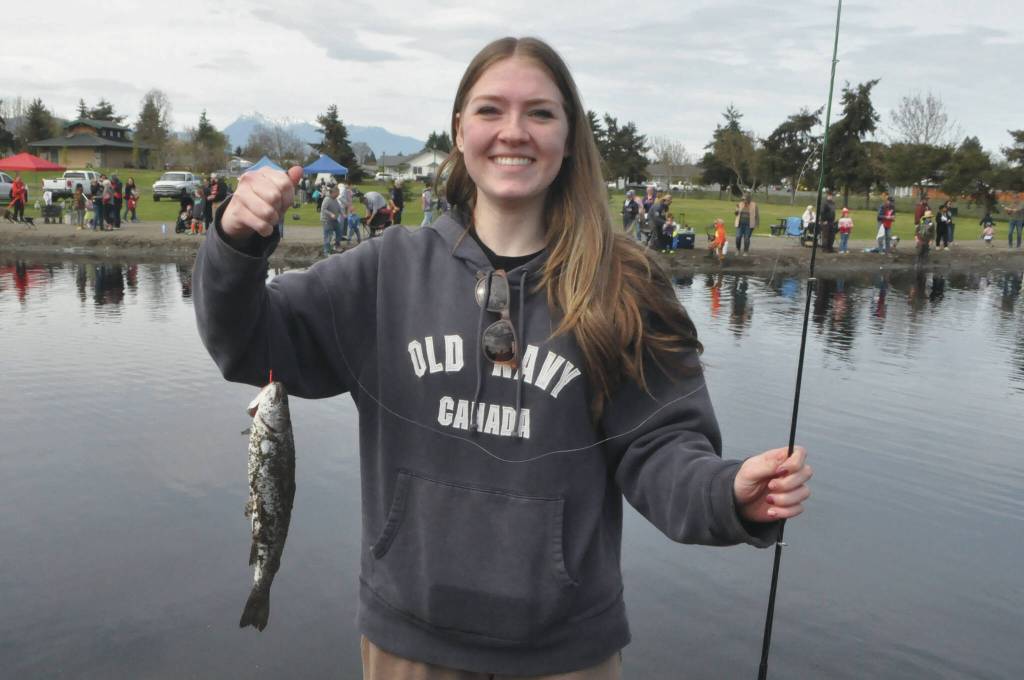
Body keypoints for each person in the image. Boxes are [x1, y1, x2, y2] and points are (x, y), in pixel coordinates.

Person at [193, 36, 811, 680]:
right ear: (459, 131)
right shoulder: (383, 272)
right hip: (409, 644)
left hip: (568, 653)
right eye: (490, 110)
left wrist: (726, 494)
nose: (513, 131)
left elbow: (660, 449)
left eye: (540, 113)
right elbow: (250, 344)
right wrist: (236, 241)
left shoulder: (624, 284)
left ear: (570, 137)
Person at [320, 185, 343, 256]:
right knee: (328, 236)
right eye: (337, 194)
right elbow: (323, 209)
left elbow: (338, 207)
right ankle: (326, 251)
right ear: (333, 193)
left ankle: (336, 246)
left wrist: (342, 213)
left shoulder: (335, 199)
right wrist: (331, 214)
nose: (338, 195)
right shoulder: (327, 199)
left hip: (334, 220)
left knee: (339, 231)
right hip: (327, 220)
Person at [733, 190, 758, 255]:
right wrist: (737, 210)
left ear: (749, 199)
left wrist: (756, 224)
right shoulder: (739, 204)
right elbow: (736, 214)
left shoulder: (754, 205)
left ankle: (745, 251)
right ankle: (737, 250)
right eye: (743, 199)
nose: (744, 201)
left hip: (749, 225)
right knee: (738, 237)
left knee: (746, 238)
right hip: (740, 224)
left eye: (745, 199)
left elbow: (757, 215)